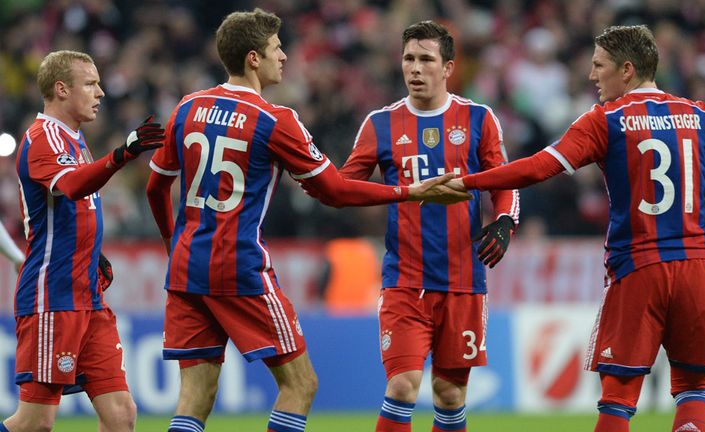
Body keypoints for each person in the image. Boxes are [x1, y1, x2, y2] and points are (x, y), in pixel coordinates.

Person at [144, 9, 469, 432]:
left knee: (194, 398)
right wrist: (411, 191)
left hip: (186, 267)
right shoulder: (275, 120)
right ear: (253, 59)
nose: (285, 56)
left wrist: (174, 245)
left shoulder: (187, 107)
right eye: (277, 48)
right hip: (238, 266)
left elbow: (155, 188)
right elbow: (335, 190)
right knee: (301, 384)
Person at [446, 25, 705, 432]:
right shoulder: (702, 116)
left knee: (617, 397)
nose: (592, 76)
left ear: (626, 69)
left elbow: (540, 167)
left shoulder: (606, 120)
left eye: (599, 66)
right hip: (698, 267)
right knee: (693, 391)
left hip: (639, 267)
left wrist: (468, 181)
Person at [338, 20, 520, 432]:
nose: (415, 69)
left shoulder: (478, 118)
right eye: (408, 59)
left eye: (425, 59)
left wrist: (506, 219)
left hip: (463, 280)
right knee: (402, 386)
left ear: (448, 67)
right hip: (404, 279)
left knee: (450, 396)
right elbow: (343, 188)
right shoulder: (379, 124)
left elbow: (505, 182)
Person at [3, 50, 164, 432]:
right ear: (61, 89)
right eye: (90, 84)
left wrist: (92, 254)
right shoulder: (40, 137)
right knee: (34, 422)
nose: (101, 92)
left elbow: (72, 213)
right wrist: (123, 155)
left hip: (88, 297)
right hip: (52, 297)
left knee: (121, 415)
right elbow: (73, 187)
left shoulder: (75, 140)